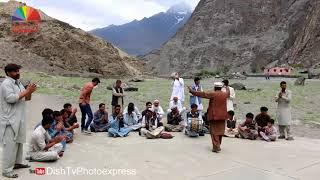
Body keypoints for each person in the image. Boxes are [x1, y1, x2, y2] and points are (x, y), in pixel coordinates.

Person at [0, 64, 37, 178]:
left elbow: (26, 98)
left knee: (19, 142)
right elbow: (11, 99)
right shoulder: (6, 84)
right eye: (15, 71)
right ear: (8, 73)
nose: (18, 72)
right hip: (9, 120)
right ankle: (6, 170)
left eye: (18, 70)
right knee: (10, 145)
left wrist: (30, 91)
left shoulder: (18, 83)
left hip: (19, 118)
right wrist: (27, 91)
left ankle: (16, 163)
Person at [188, 82, 230, 153]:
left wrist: (192, 91)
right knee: (220, 132)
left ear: (215, 87)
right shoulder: (225, 94)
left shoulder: (213, 94)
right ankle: (218, 145)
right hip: (222, 116)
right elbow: (228, 93)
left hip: (214, 116)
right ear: (221, 88)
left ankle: (216, 147)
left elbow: (202, 94)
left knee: (214, 132)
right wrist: (227, 87)